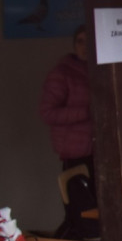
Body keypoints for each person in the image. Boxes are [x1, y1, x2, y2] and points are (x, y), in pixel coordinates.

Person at [38, 24, 94, 179]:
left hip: (100, 149)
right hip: (76, 152)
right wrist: (86, 112)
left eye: (89, 41)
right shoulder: (62, 74)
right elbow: (47, 113)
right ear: (74, 46)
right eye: (80, 41)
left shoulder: (102, 71)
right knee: (83, 202)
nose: (84, 46)